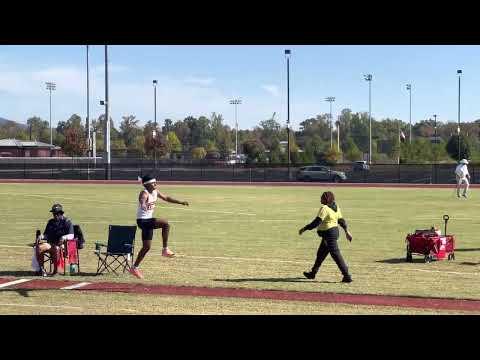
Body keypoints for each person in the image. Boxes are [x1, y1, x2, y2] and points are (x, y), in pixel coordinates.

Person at [129, 175, 189, 279]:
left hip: (147, 222)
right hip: (143, 221)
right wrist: (143, 204)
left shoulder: (155, 191)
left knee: (146, 247)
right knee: (165, 223)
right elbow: (142, 199)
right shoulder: (145, 192)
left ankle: (134, 268)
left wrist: (180, 202)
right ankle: (165, 250)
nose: (156, 184)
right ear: (147, 184)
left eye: (156, 182)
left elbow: (166, 198)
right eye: (153, 183)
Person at [298, 191, 353, 283]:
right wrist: (347, 231)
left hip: (329, 234)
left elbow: (316, 222)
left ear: (326, 199)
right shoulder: (336, 207)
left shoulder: (324, 208)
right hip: (333, 232)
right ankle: (312, 273)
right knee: (321, 254)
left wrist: (305, 228)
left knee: (336, 254)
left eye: (322, 198)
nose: (320, 199)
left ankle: (347, 276)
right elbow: (341, 221)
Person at [35, 204, 74, 276]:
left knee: (56, 248)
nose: (55, 215)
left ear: (61, 213)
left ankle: (55, 271)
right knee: (39, 247)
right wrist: (42, 236)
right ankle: (41, 269)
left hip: (62, 245)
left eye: (57, 213)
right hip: (50, 243)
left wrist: (64, 237)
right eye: (54, 213)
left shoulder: (67, 222)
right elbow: (46, 234)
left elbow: (71, 235)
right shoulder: (50, 222)